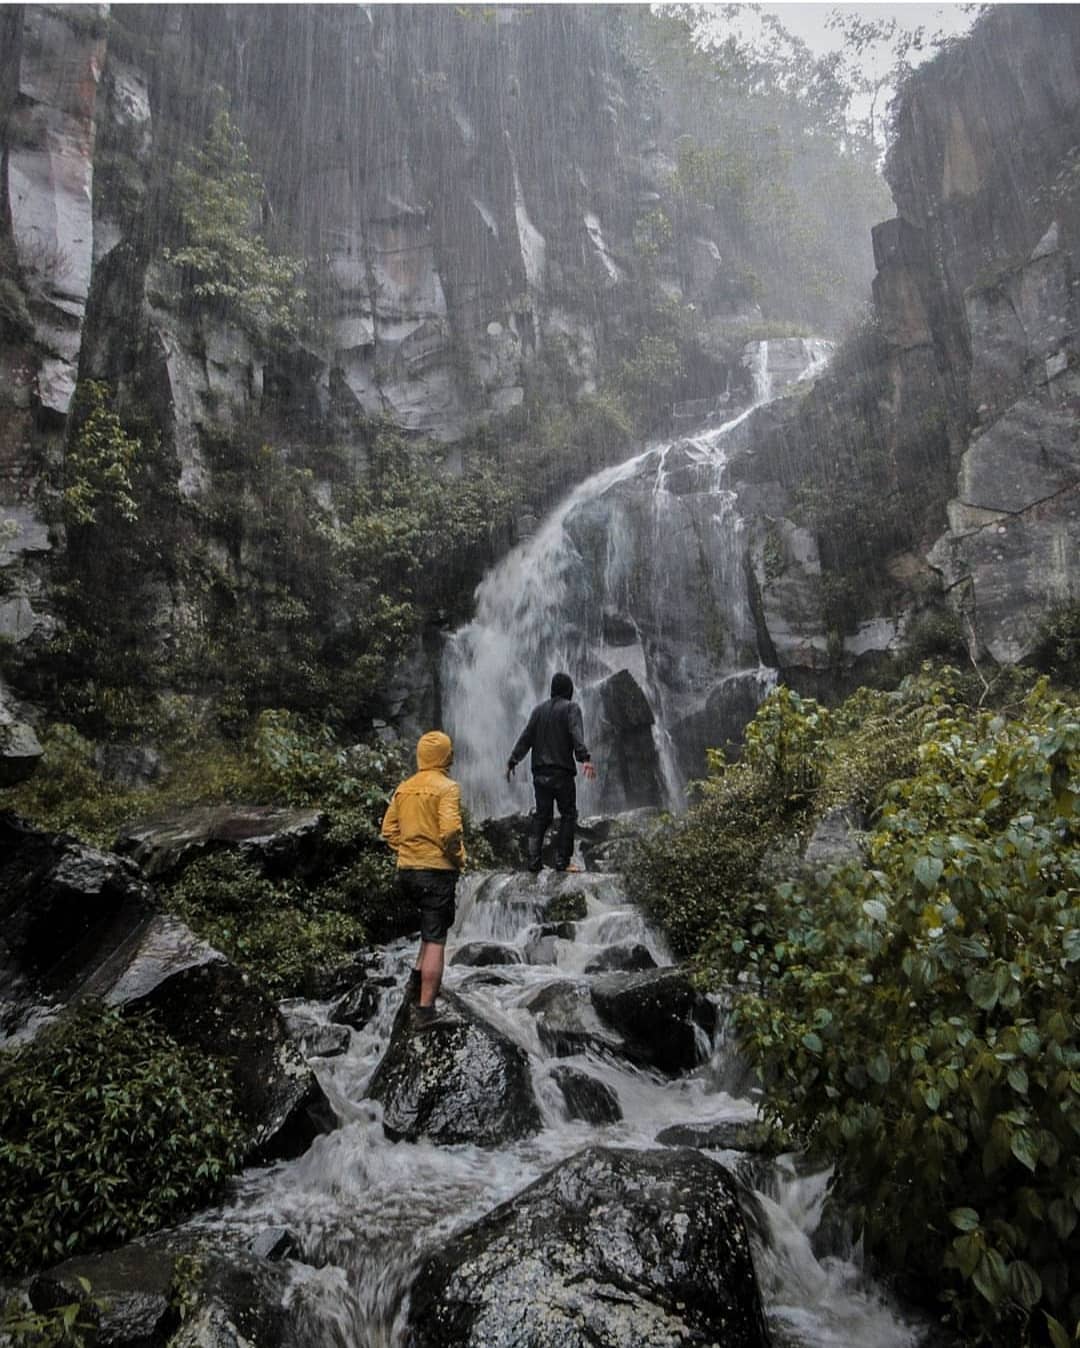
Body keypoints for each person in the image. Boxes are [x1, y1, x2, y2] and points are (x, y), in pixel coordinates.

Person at [381, 730, 466, 1030]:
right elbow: (451, 830)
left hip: (407, 872)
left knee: (429, 929)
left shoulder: (404, 788)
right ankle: (426, 1010)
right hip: (436, 872)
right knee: (435, 939)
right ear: (445, 756)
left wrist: (408, 850)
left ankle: (414, 986)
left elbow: (388, 829)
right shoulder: (447, 788)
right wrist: (457, 857)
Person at [506, 672, 596, 874]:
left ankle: (534, 862)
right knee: (568, 814)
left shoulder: (538, 711)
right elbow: (575, 733)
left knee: (542, 817)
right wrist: (585, 758)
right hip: (562, 772)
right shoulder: (571, 708)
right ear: (569, 690)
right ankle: (563, 862)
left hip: (539, 773)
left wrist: (513, 760)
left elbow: (526, 737)